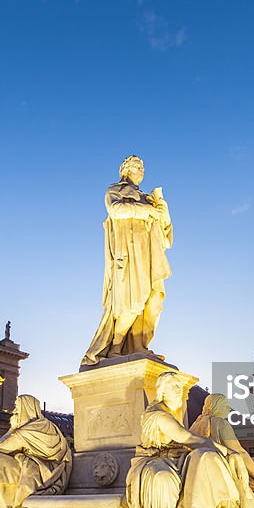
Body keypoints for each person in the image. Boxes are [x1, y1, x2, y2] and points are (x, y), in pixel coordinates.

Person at [104, 372, 254, 508]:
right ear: (162, 391)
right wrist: (227, 451)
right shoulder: (159, 416)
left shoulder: (176, 414)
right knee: (165, 481)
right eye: (174, 387)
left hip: (174, 460)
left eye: (180, 388)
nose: (179, 391)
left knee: (206, 462)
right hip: (153, 463)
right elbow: (188, 438)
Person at [82, 156, 172, 366]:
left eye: (142, 167)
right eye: (137, 167)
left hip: (149, 254)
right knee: (132, 301)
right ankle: (115, 348)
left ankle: (140, 345)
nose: (141, 170)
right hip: (128, 253)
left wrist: (161, 209)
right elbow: (116, 210)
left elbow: (166, 233)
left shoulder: (147, 198)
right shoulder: (115, 190)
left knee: (154, 302)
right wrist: (148, 211)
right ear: (125, 170)